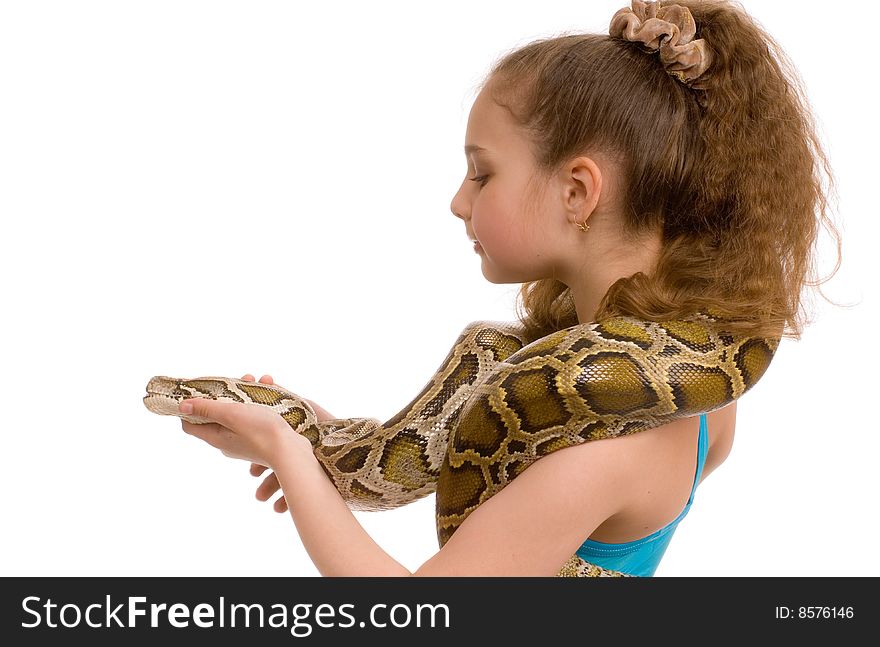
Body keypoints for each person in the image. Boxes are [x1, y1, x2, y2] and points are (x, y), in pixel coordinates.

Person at [176, 0, 837, 576]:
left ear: (577, 191)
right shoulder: (706, 401)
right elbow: (434, 463)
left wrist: (290, 455)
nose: (458, 202)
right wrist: (323, 438)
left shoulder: (605, 455)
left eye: (481, 175)